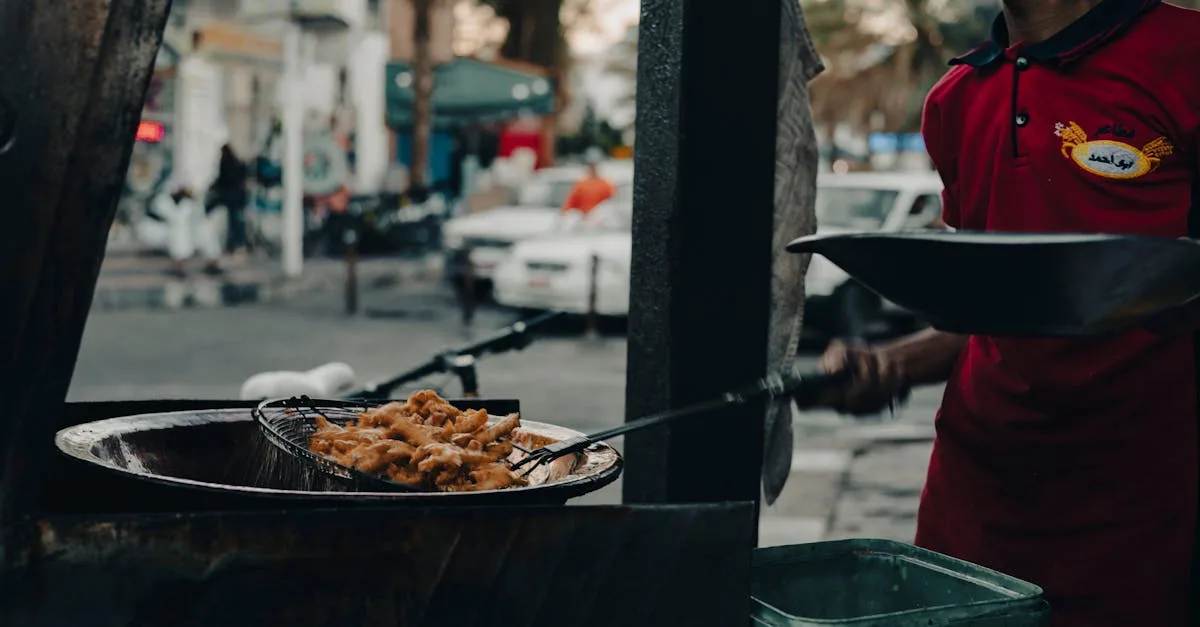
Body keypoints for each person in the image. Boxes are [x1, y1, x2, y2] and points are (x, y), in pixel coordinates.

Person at [815, 2, 1200, 625]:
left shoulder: (1184, 52)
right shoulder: (956, 96)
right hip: (979, 489)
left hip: (1146, 489)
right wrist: (889, 364)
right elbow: (986, 310)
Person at [142, 183, 223, 277]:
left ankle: (212, 263)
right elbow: (174, 218)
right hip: (156, 232)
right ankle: (178, 265)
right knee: (180, 230)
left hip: (181, 231)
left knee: (206, 228)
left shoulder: (190, 203)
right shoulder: (162, 200)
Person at [210, 144, 249, 255]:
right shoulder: (236, 162)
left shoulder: (226, 163)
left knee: (233, 222)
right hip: (238, 197)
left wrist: (214, 187)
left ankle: (234, 244)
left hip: (231, 197)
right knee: (236, 221)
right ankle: (237, 244)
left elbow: (222, 179)